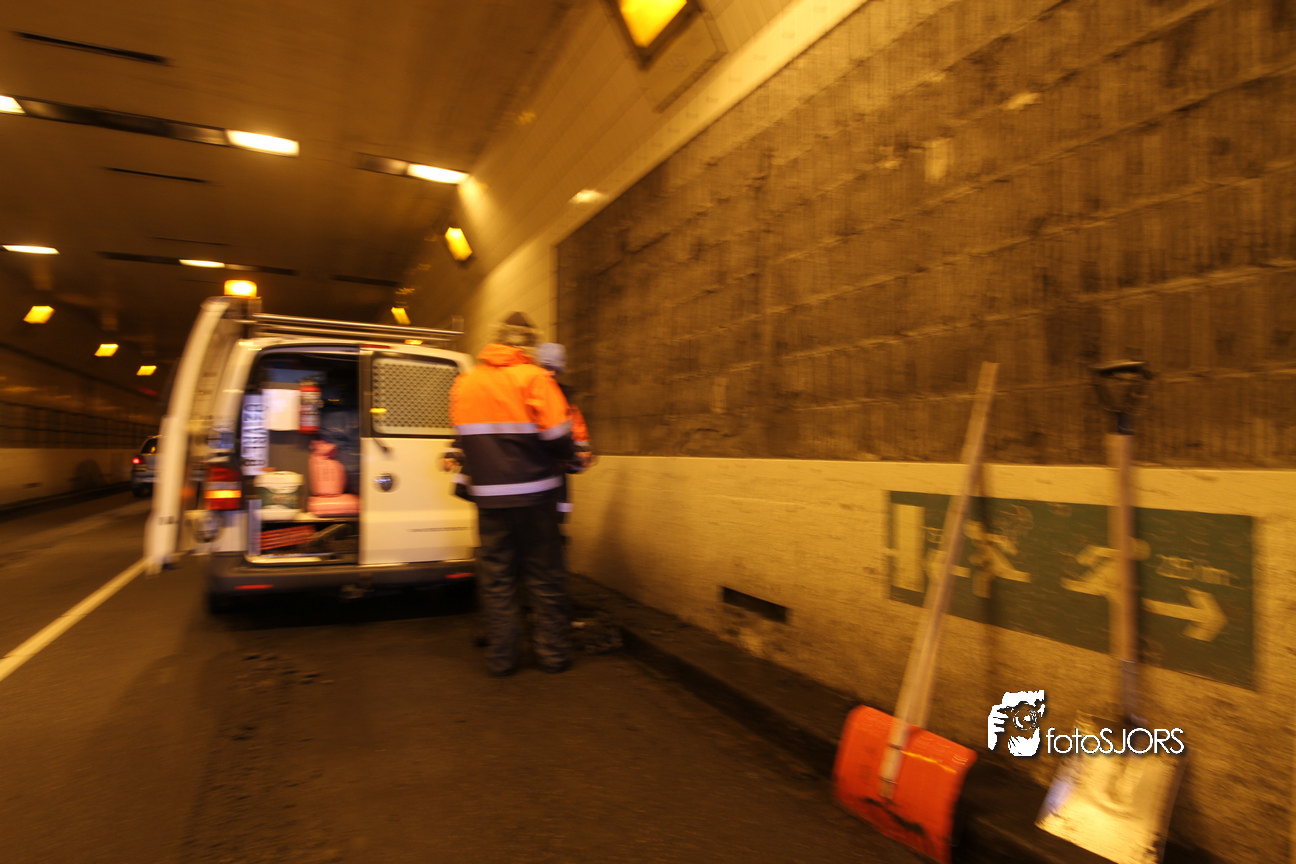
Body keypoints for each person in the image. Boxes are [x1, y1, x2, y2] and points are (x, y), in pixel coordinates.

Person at [449, 313, 577, 677]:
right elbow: (557, 435)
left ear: (497, 340)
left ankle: (502, 659)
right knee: (544, 574)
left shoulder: (466, 382)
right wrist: (571, 456)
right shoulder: (535, 378)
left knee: (497, 578)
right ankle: (552, 655)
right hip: (537, 497)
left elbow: (462, 438)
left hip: (489, 500)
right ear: (529, 344)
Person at [534, 342, 594, 526]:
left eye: (556, 368)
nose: (551, 373)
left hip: (554, 490)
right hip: (531, 489)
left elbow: (580, 444)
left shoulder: (568, 405)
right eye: (546, 366)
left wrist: (580, 459)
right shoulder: (526, 396)